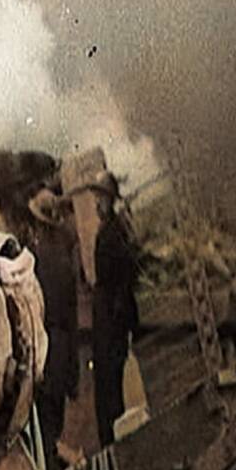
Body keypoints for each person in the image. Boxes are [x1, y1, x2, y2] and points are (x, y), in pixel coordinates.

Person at [29, 188, 81, 470]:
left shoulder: (34, 260)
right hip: (61, 348)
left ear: (39, 224)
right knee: (55, 418)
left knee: (43, 426)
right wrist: (74, 371)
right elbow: (72, 315)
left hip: (42, 345)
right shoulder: (64, 260)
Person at [91, 171, 139, 447]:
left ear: (109, 200)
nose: (96, 203)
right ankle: (111, 443)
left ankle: (112, 445)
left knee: (109, 392)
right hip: (108, 320)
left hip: (111, 322)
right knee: (108, 390)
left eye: (100, 197)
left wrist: (115, 316)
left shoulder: (113, 232)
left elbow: (123, 277)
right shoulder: (110, 229)